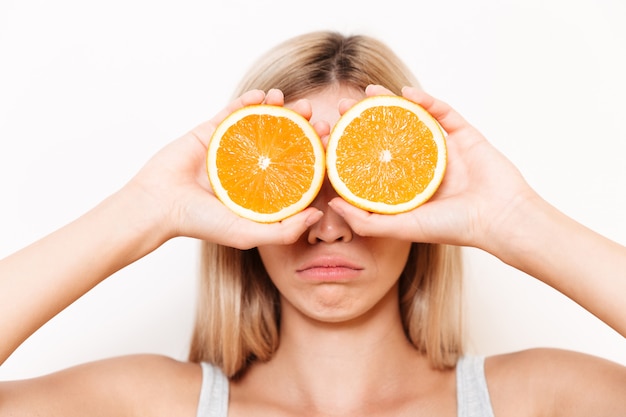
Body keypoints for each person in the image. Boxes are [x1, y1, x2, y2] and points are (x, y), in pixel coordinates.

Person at [0, 30, 624, 416]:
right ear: (241, 206)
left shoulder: (539, 399)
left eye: (360, 185)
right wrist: (144, 208)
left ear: (421, 200)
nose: (328, 227)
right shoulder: (153, 403)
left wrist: (514, 219)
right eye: (296, 186)